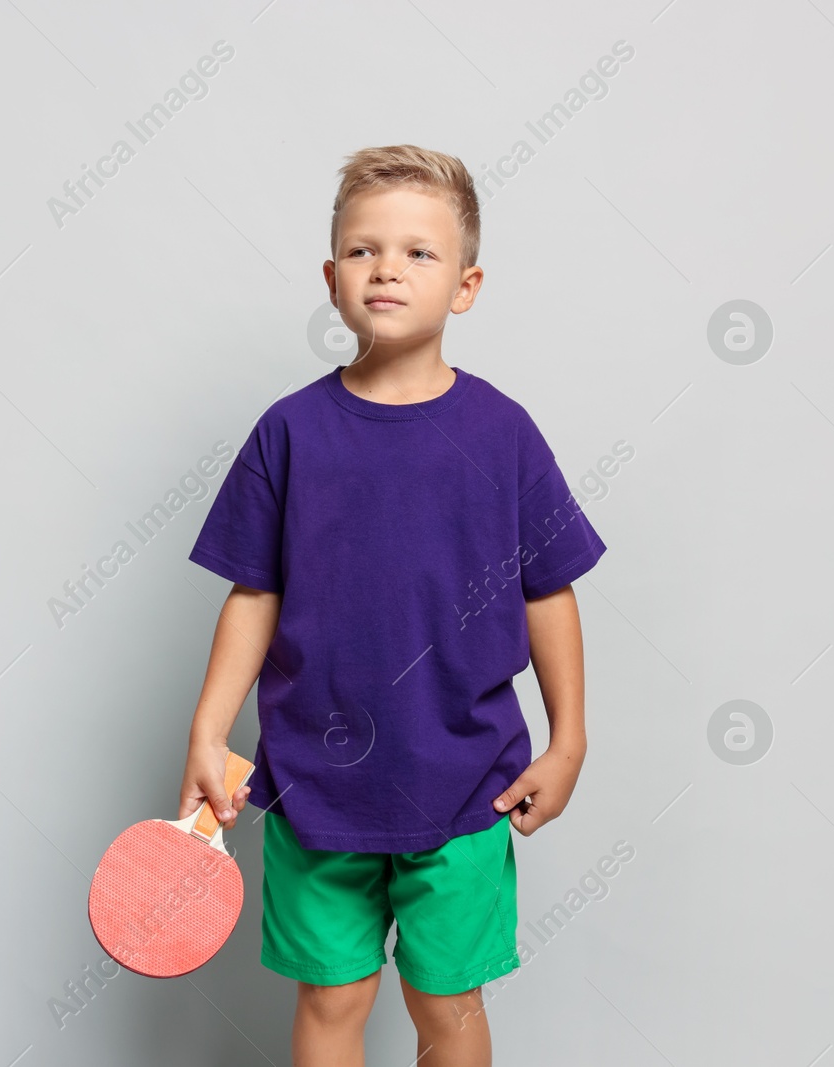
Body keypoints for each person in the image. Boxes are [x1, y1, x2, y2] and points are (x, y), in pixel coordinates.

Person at [181, 144, 607, 1067]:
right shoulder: (289, 432)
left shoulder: (504, 433)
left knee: (447, 1008)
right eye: (365, 250)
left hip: (463, 786)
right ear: (332, 278)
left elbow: (550, 592)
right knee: (332, 1000)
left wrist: (568, 740)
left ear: (466, 284)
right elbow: (253, 593)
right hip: (313, 788)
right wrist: (209, 732)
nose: (388, 268)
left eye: (419, 252)